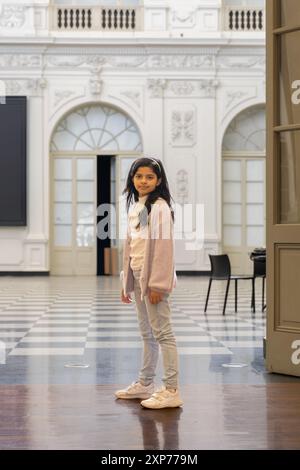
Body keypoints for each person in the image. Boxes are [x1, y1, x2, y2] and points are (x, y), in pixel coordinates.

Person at [115, 157, 183, 409]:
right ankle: (145, 383)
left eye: (149, 177)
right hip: (140, 276)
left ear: (159, 180)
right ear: (132, 179)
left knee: (163, 334)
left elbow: (163, 249)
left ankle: (172, 389)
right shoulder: (138, 206)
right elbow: (136, 246)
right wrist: (127, 284)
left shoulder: (160, 207)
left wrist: (157, 285)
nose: (143, 181)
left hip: (154, 280)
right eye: (139, 176)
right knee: (147, 334)